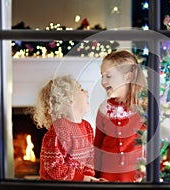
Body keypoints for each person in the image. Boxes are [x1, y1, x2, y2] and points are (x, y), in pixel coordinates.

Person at [31, 74, 103, 182]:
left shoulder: (87, 127)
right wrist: (82, 179)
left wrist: (89, 179)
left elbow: (90, 159)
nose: (87, 93)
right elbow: (54, 168)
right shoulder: (59, 131)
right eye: (81, 89)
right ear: (68, 100)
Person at [94, 50, 147, 182]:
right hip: (107, 177)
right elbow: (97, 146)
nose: (103, 81)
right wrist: (95, 177)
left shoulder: (145, 107)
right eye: (102, 76)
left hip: (137, 178)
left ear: (127, 78)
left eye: (109, 76)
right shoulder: (104, 109)